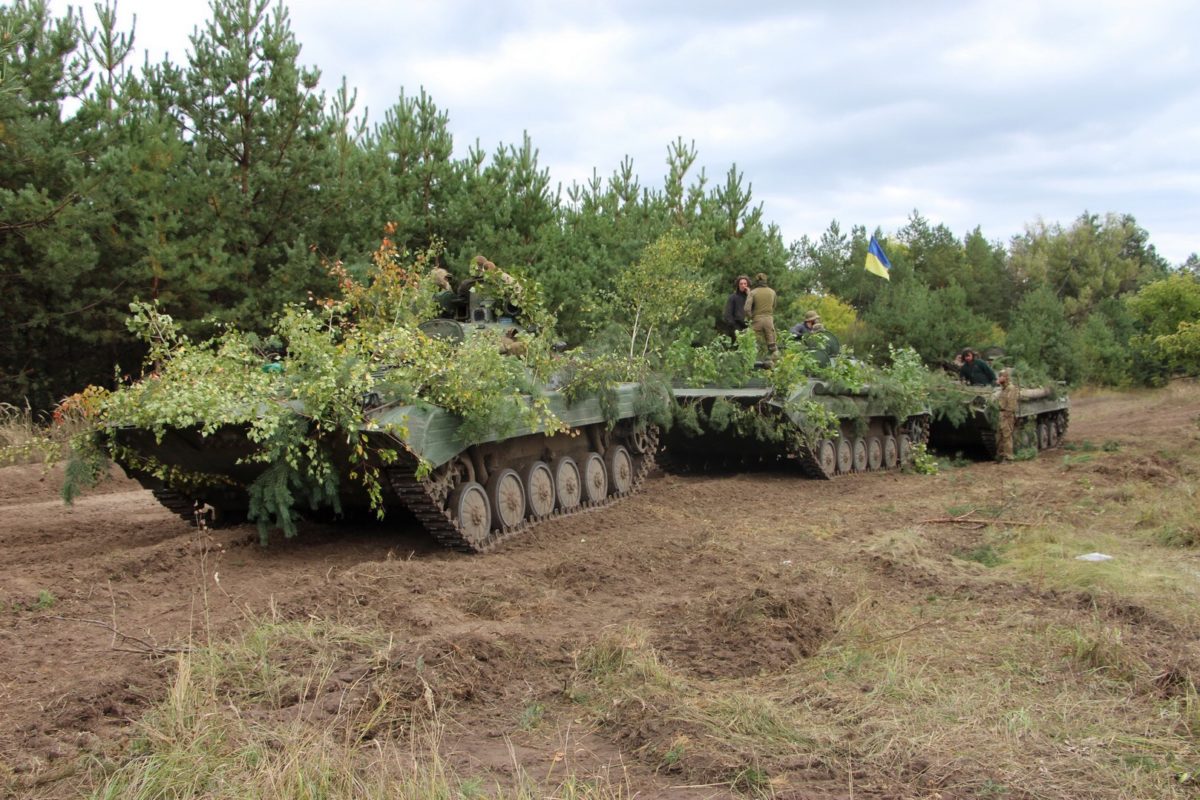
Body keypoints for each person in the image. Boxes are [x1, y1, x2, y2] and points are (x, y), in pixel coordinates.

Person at [743, 272, 778, 359]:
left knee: (751, 344)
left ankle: (751, 364)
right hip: (769, 320)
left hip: (756, 320)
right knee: (772, 346)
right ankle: (775, 365)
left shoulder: (753, 293)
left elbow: (747, 309)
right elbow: (774, 306)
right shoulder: (772, 292)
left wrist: (751, 317)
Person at [996, 369, 1019, 461]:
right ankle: (1000, 456)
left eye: (1002, 376)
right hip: (1001, 413)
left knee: (1006, 435)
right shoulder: (1003, 388)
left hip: (1006, 414)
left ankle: (1009, 457)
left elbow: (1011, 403)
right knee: (999, 436)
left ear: (1006, 377)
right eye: (999, 376)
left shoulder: (1011, 388)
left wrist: (1007, 414)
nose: (1000, 378)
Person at [723, 275, 750, 339]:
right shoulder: (733, 297)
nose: (743, 285)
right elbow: (728, 314)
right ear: (738, 285)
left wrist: (750, 295)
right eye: (741, 284)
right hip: (736, 327)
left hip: (749, 327)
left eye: (745, 283)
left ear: (747, 285)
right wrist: (734, 327)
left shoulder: (750, 298)